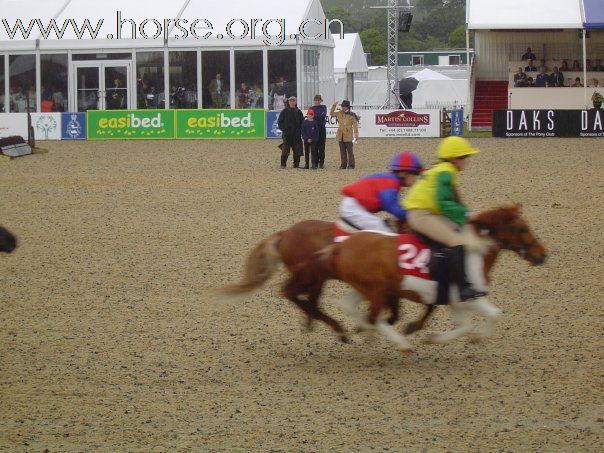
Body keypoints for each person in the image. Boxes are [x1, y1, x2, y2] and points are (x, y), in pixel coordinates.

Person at [403, 136, 487, 301]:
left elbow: (449, 200)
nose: (467, 161)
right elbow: (444, 201)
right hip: (421, 215)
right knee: (457, 241)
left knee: (458, 230)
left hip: (424, 211)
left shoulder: (440, 168)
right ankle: (463, 288)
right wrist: (466, 214)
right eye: (465, 157)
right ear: (455, 159)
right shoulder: (446, 172)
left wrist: (464, 214)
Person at [340, 152, 424, 233]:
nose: (416, 178)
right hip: (354, 208)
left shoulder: (390, 180)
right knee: (384, 231)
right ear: (404, 173)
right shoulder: (391, 182)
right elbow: (391, 206)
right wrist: (412, 216)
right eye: (415, 173)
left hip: (354, 206)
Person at [330, 100, 359, 169]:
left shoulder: (352, 115)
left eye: (344, 106)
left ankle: (351, 165)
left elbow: (355, 125)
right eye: (342, 106)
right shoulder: (339, 113)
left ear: (348, 107)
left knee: (350, 151)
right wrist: (334, 105)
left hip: (348, 135)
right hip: (340, 135)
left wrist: (356, 135)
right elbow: (331, 113)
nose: (343, 107)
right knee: (342, 151)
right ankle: (343, 164)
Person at [277, 96, 304, 169]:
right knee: (285, 150)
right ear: (288, 102)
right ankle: (283, 164)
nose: (292, 102)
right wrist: (285, 130)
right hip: (287, 135)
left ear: (295, 102)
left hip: (296, 134)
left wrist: (300, 131)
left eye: (293, 101)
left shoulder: (298, 111)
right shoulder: (284, 111)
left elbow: (302, 123)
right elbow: (279, 122)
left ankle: (296, 164)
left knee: (297, 150)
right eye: (290, 101)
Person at [310, 94, 327, 169]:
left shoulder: (323, 107)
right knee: (314, 146)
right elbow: (310, 116)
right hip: (313, 128)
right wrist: (315, 116)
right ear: (314, 101)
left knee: (322, 146)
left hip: (321, 128)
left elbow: (323, 116)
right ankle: (315, 162)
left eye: (318, 100)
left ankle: (322, 162)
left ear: (321, 101)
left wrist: (314, 116)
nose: (317, 101)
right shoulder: (311, 108)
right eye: (316, 100)